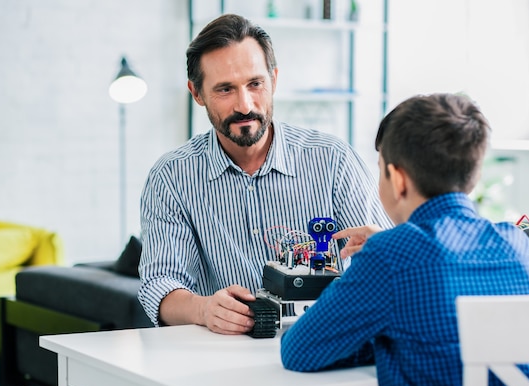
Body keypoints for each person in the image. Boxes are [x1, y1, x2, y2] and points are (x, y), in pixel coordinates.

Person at [281, 93, 529, 386]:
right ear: (472, 176)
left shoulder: (389, 256)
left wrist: (382, 331)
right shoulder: (516, 245)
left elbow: (298, 350)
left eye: (381, 170)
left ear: (399, 180)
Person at [137, 13, 391, 335]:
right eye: (225, 90)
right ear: (197, 93)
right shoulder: (171, 178)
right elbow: (159, 285)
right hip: (227, 358)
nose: (245, 105)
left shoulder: (334, 160)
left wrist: (385, 249)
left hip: (329, 345)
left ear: (274, 79)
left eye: (255, 84)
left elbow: (388, 261)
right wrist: (203, 309)